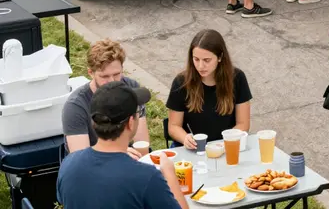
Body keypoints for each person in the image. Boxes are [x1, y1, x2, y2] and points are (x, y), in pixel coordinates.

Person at [57, 81, 187, 209]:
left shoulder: (68, 164)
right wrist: (170, 175)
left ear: (94, 122)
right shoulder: (147, 177)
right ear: (130, 122)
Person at [63, 38, 150, 157]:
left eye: (117, 74)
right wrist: (118, 155)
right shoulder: (76, 106)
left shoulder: (132, 88)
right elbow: (81, 159)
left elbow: (142, 144)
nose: (112, 81)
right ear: (91, 73)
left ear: (122, 68)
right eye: (105, 76)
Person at [167, 29, 252, 147]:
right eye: (196, 59)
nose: (200, 66)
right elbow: (174, 126)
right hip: (194, 147)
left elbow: (243, 124)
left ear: (220, 57)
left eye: (207, 60)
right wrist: (185, 138)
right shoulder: (181, 82)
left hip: (227, 145)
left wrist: (224, 144)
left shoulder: (237, 78)